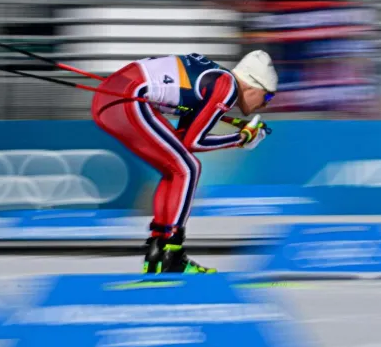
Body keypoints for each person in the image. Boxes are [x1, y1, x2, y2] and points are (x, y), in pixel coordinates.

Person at [92, 50, 276, 274]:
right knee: (188, 168)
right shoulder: (227, 86)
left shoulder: (216, 81)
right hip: (126, 98)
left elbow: (184, 141)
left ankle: (158, 254)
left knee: (176, 168)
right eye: (267, 97)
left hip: (114, 98)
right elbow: (195, 142)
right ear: (251, 85)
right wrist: (241, 139)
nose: (265, 105)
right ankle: (172, 254)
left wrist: (238, 136)